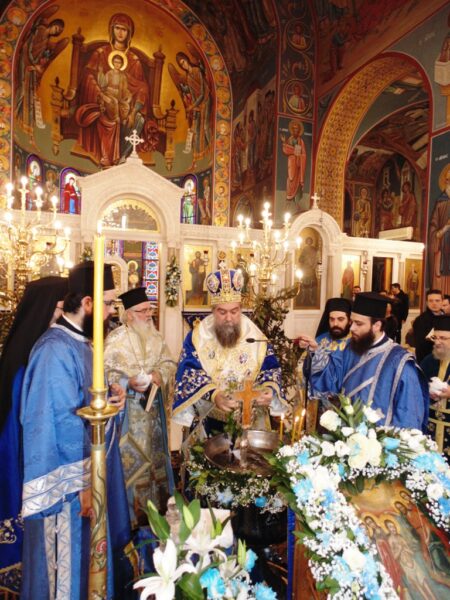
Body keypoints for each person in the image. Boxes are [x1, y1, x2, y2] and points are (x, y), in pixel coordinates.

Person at [20, 262, 132, 599]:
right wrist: (84, 484)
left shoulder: (82, 343)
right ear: (87, 303)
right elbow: (57, 425)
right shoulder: (54, 349)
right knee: (66, 574)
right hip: (67, 495)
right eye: (108, 304)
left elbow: (84, 407)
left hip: (87, 481)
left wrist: (111, 398)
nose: (112, 312)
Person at [0, 277, 68, 597]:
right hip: (20, 452)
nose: (64, 315)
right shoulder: (26, 356)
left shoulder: (47, 347)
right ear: (44, 309)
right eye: (60, 308)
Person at [173, 267, 285, 433]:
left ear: (240, 308)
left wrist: (268, 390)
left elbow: (270, 369)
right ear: (213, 310)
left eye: (234, 311)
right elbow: (188, 373)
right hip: (209, 418)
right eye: (222, 312)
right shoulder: (198, 336)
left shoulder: (254, 334)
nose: (229, 318)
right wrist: (214, 394)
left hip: (250, 418)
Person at [104, 287, 176, 524]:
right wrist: (128, 382)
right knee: (132, 468)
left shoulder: (156, 337)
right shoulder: (115, 340)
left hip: (154, 415)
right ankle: (130, 520)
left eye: (149, 310)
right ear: (129, 315)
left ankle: (157, 516)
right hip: (128, 417)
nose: (148, 315)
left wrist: (158, 374)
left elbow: (169, 362)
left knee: (156, 465)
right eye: (142, 311)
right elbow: (105, 374)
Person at [310, 292, 429, 430]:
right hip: (346, 434)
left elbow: (409, 413)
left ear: (376, 325)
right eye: (352, 322)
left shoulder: (400, 362)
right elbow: (331, 381)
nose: (352, 328)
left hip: (382, 439)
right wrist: (317, 353)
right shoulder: (350, 348)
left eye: (358, 323)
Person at [75, 13, 149, 167]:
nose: (120, 33)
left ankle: (122, 156)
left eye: (124, 29)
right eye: (117, 28)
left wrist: (133, 111)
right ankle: (108, 156)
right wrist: (100, 94)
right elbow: (88, 76)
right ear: (111, 29)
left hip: (122, 105)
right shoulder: (101, 53)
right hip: (103, 99)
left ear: (129, 33)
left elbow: (141, 87)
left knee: (139, 120)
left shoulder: (134, 61)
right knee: (110, 113)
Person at [420, 316, 450, 457]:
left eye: (443, 338)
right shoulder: (429, 360)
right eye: (435, 337)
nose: (437, 342)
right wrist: (427, 390)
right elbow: (416, 385)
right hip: (430, 427)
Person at [428, 163, 450, 295]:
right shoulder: (441, 202)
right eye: (448, 180)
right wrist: (445, 229)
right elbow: (433, 229)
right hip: (443, 250)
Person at [412, 289, 444, 364]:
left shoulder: (446, 317)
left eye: (437, 300)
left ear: (442, 302)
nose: (434, 303)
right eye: (431, 301)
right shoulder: (420, 320)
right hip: (430, 360)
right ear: (426, 303)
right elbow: (420, 346)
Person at [281, 120, 307, 202]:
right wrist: (285, 143)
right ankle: (289, 195)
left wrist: (300, 156)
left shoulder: (301, 141)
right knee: (291, 178)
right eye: (294, 129)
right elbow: (286, 149)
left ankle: (296, 198)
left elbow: (304, 153)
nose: (296, 131)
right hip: (291, 162)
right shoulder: (290, 139)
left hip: (299, 163)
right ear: (292, 130)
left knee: (297, 180)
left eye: (297, 129)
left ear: (299, 131)